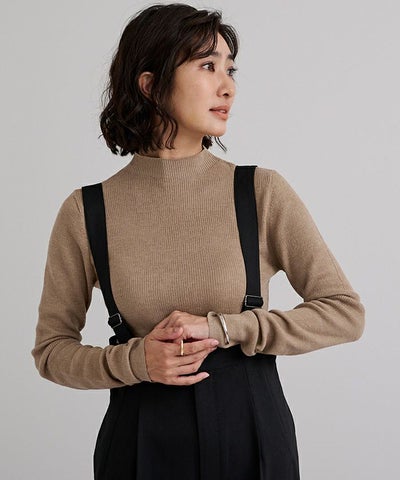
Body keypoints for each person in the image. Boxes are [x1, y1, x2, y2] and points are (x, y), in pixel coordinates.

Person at [32, 3, 365, 479]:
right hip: (138, 440)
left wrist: (226, 328)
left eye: (230, 69)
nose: (227, 86)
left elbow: (345, 313)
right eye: (208, 66)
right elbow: (51, 352)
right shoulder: (87, 210)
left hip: (252, 434)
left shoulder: (260, 191)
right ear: (150, 85)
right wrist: (137, 360)